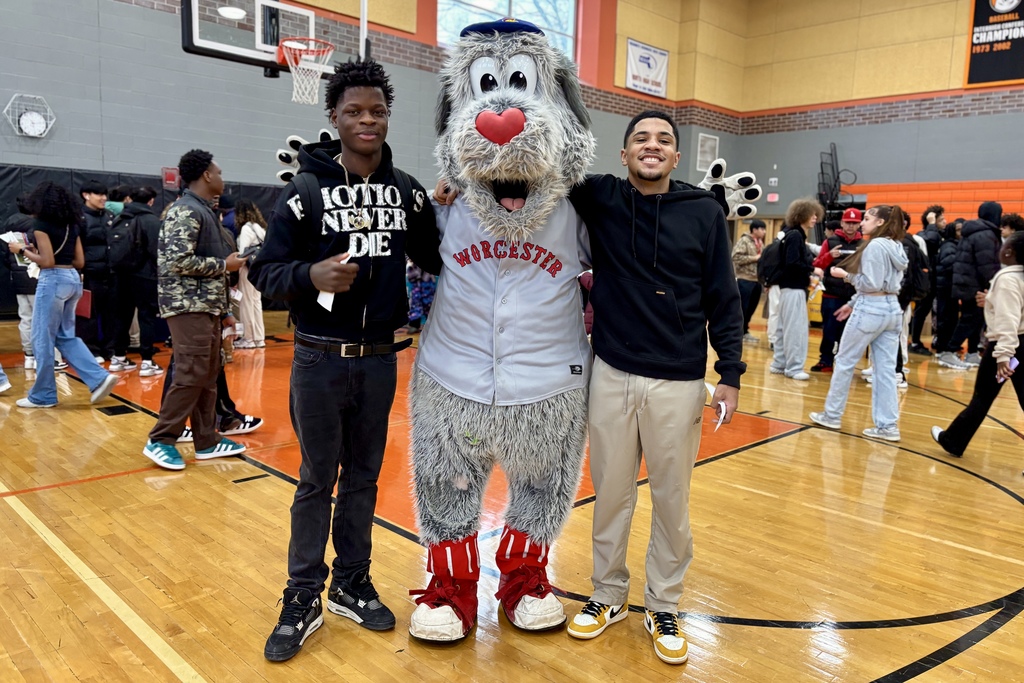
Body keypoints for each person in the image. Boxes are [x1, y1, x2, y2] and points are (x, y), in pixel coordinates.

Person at [248, 59, 442, 663]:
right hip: (318, 359)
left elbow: (436, 256)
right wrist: (311, 273)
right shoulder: (305, 192)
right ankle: (302, 594)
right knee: (315, 480)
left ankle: (352, 582)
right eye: (355, 111)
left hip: (381, 359)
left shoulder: (407, 190)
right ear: (334, 117)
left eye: (377, 111)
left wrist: (448, 202)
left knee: (363, 478)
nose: (367, 120)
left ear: (388, 117)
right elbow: (262, 271)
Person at [565, 111, 744, 666]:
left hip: (680, 380)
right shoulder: (600, 197)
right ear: (622, 155)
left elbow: (723, 295)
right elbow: (538, 167)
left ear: (674, 156)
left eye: (664, 140)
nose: (652, 145)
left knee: (672, 500)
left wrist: (731, 374)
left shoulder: (704, 213)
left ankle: (663, 602)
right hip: (612, 372)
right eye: (640, 138)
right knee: (611, 494)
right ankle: (607, 594)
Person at [142, 149, 247, 470]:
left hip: (206, 306)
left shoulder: (203, 210)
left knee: (208, 371)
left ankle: (207, 439)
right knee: (191, 372)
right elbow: (175, 261)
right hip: (186, 306)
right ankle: (161, 438)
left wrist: (224, 310)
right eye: (219, 171)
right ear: (206, 176)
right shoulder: (185, 211)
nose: (222, 177)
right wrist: (223, 264)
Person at [9, 181, 118, 408]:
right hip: (73, 280)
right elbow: (80, 261)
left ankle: (43, 395)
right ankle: (98, 377)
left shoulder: (40, 225)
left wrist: (22, 250)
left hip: (53, 281)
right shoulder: (73, 224)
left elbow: (47, 262)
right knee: (65, 335)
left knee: (41, 338)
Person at [809, 205, 908, 441]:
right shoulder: (896, 246)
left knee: (844, 360)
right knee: (884, 370)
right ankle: (888, 426)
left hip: (871, 310)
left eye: (867, 218)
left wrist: (845, 276)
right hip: (892, 310)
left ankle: (832, 415)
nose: (862, 223)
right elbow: (883, 284)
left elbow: (870, 283)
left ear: (881, 223)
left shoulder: (874, 246)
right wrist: (853, 302)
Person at [932, 231, 1024, 456]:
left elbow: (1008, 320)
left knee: (982, 397)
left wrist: (1003, 355)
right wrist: (992, 300)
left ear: (1009, 252)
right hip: (1019, 346)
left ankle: (953, 440)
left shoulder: (1007, 277)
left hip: (1009, 348)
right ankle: (953, 439)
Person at [939, 202, 1002, 369]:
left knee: (976, 319)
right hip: (976, 286)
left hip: (966, 283)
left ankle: (972, 353)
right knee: (970, 319)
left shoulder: (973, 232)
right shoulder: (986, 234)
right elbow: (987, 264)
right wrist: (992, 286)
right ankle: (949, 351)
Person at [110, 186, 164, 376]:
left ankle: (118, 358)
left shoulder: (119, 218)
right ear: (151, 201)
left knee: (121, 316)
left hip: (119, 274)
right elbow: (157, 251)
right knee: (146, 317)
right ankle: (147, 362)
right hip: (144, 276)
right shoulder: (151, 221)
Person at [771, 198, 821, 380]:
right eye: (812, 214)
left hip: (788, 289)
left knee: (783, 328)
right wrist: (813, 269)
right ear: (802, 215)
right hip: (793, 288)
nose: (815, 218)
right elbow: (792, 263)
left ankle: (779, 363)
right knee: (795, 330)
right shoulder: (795, 236)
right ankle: (793, 367)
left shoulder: (792, 235)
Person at [811, 208, 863, 372]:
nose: (850, 226)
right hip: (831, 295)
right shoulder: (830, 242)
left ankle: (844, 363)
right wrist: (829, 256)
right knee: (829, 330)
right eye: (848, 222)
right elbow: (817, 264)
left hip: (854, 296)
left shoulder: (864, 245)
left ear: (859, 224)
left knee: (850, 333)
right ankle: (825, 360)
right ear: (842, 223)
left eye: (854, 223)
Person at [77, 179, 117, 362]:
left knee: (111, 313)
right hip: (89, 273)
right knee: (88, 314)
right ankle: (91, 349)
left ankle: (110, 348)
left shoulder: (110, 216)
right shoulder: (79, 217)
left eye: (104, 194)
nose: (103, 198)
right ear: (86, 195)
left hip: (109, 272)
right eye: (99, 194)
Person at [910, 204, 945, 355]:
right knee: (921, 311)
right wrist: (931, 225)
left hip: (937, 280)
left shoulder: (940, 235)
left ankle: (935, 340)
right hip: (925, 280)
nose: (945, 222)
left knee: (934, 311)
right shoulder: (922, 235)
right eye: (941, 220)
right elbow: (930, 242)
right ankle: (915, 342)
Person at [233, 199, 267, 349]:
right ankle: (259, 338)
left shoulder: (246, 229)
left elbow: (242, 253)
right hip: (259, 269)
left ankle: (248, 339)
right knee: (256, 303)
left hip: (247, 269)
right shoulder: (260, 227)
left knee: (246, 303)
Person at [731, 218, 766, 344]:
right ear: (754, 230)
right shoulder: (744, 241)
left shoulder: (760, 243)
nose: (764, 232)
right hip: (745, 279)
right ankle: (738, 332)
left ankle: (745, 331)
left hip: (756, 280)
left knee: (751, 308)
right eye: (762, 229)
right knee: (743, 308)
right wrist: (754, 258)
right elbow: (735, 257)